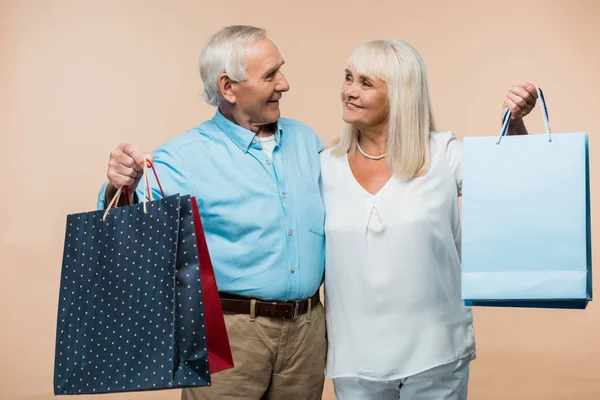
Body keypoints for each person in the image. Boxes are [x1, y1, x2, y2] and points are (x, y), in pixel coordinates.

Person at [97, 25, 326, 400]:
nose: (284, 83)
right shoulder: (185, 156)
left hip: (308, 331)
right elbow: (126, 225)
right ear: (228, 87)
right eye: (270, 75)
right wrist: (121, 184)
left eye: (280, 70)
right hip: (231, 334)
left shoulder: (306, 140)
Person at [320, 39, 538, 400]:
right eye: (348, 78)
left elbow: (515, 188)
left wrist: (514, 123)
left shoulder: (444, 155)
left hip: (436, 354)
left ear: (401, 94)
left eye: (366, 83)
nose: (349, 91)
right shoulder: (324, 167)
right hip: (355, 360)